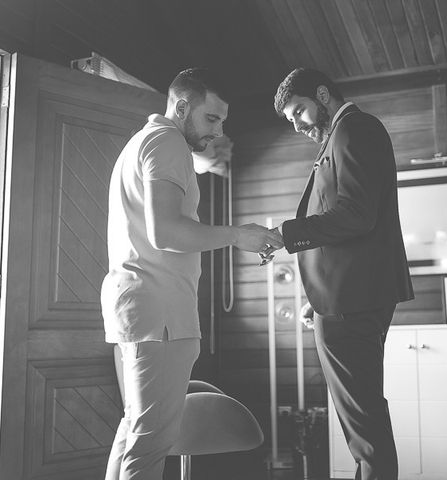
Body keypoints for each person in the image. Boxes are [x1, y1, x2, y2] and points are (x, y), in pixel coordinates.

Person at [101, 67, 282, 480]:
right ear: (181, 106)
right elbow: (165, 232)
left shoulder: (145, 141)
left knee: (134, 432)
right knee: (150, 443)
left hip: (139, 308)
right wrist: (239, 235)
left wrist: (203, 166)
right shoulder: (166, 144)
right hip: (160, 313)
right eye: (211, 119)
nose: (217, 131)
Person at [272, 68, 414, 480]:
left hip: (351, 302)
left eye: (299, 110)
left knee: (363, 422)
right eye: (290, 119)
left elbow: (356, 215)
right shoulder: (342, 134)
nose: (297, 124)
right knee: (361, 421)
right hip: (341, 297)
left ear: (322, 94)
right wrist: (315, 294)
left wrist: (287, 234)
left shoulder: (355, 129)